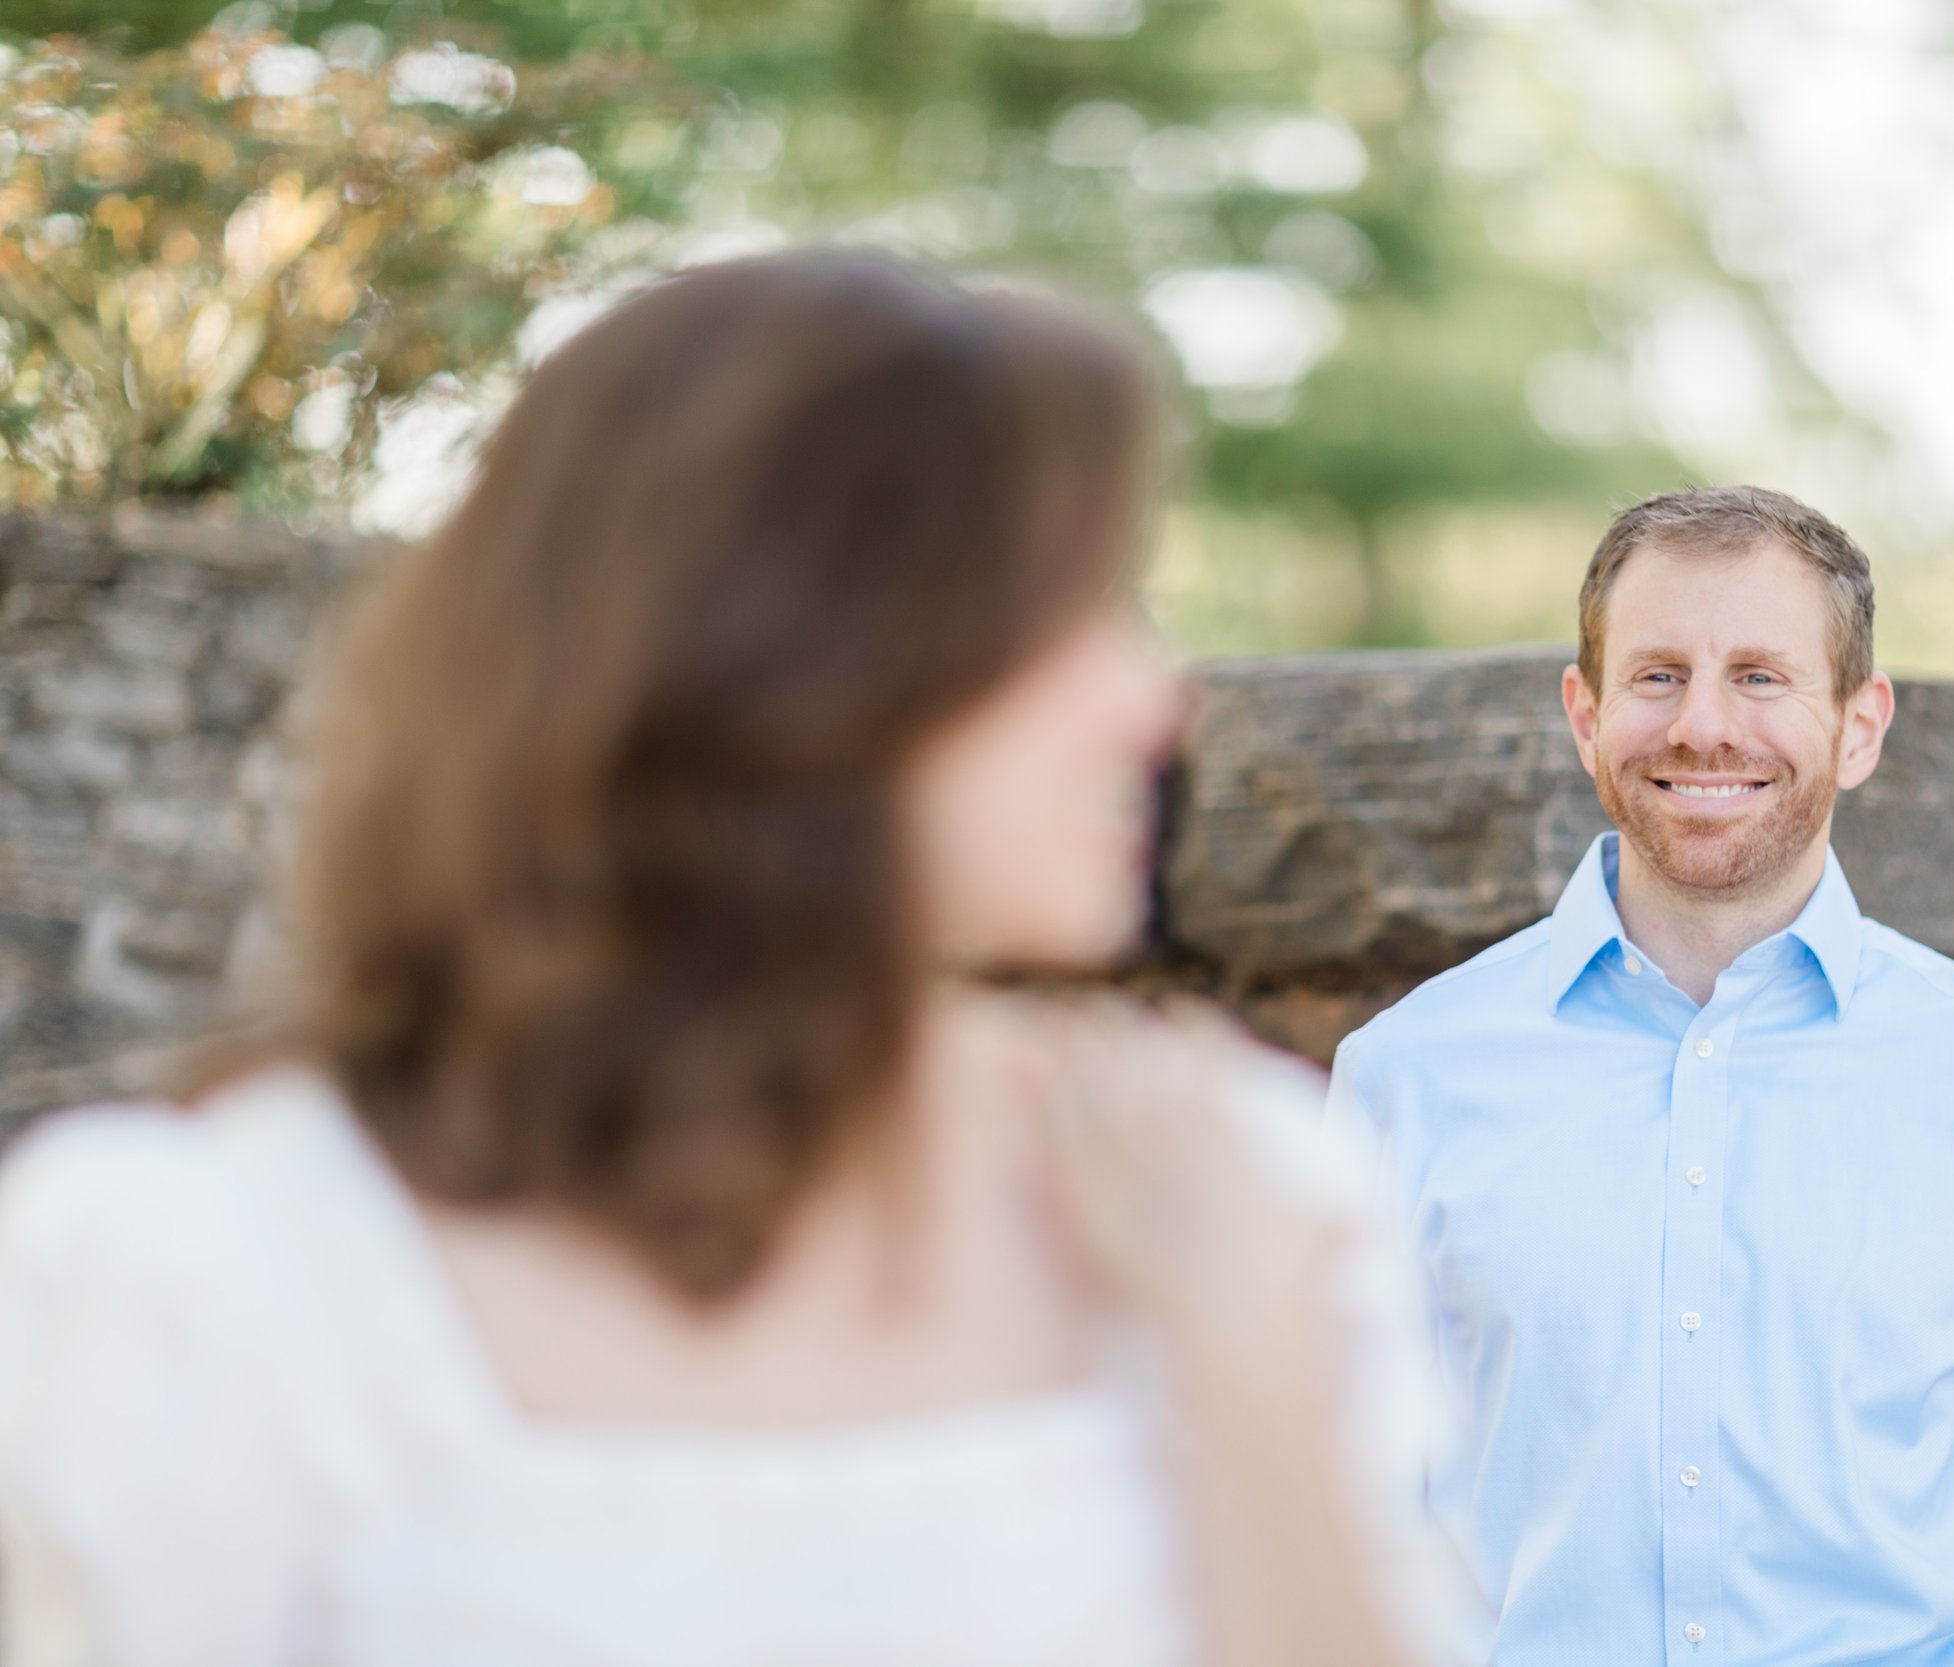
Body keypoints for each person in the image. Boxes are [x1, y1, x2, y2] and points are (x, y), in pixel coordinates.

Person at [0, 253, 1455, 1667]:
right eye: (1060, 619)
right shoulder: (204, 1268)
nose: (1156, 699)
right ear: (792, 658)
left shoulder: (1242, 1185)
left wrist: (1244, 1370)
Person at [1326, 485, 1954, 1666]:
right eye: (1656, 675)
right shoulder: (1405, 1078)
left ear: (1858, 723)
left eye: (1757, 674)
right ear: (1584, 714)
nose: (1701, 724)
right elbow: (1335, 1535)